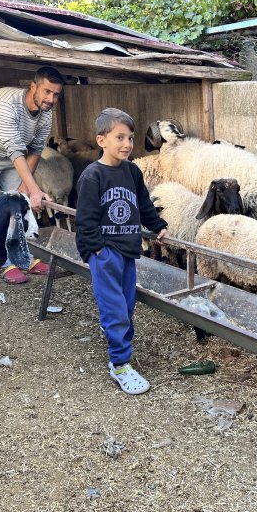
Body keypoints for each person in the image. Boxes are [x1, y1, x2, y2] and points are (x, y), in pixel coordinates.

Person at [75, 108, 168, 395]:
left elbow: (143, 204)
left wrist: (157, 225)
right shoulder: (92, 177)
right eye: (119, 137)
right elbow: (85, 220)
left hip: (128, 250)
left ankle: (115, 335)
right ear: (101, 140)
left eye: (130, 137)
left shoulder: (132, 172)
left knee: (126, 306)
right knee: (115, 310)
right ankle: (120, 364)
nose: (126, 144)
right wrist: (97, 250)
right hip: (105, 254)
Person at [0, 66, 63, 284]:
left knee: (18, 205)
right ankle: (6, 263)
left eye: (56, 94)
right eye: (46, 91)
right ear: (33, 86)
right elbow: (14, 148)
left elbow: (35, 149)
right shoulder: (6, 103)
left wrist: (26, 190)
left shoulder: (46, 114)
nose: (51, 99)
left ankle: (25, 257)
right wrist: (35, 189)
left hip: (11, 155)